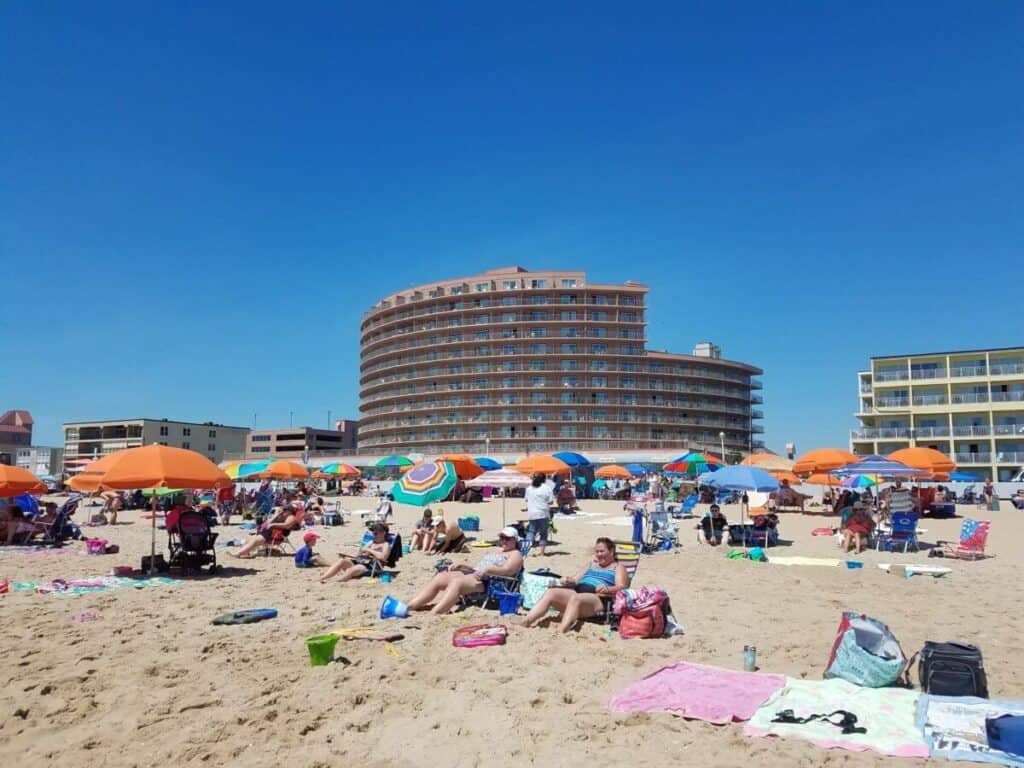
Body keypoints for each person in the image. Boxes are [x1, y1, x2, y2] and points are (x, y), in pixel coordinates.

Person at [405, 527, 524, 615]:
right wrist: (463, 566)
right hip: (475, 574)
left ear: (515, 540)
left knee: (457, 582)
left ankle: (435, 612)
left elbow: (508, 570)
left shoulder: (516, 554)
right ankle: (411, 606)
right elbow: (478, 568)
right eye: (502, 538)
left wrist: (489, 569)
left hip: (490, 582)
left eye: (507, 539)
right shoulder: (499, 551)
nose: (503, 541)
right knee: (441, 577)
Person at [518, 537, 627, 633]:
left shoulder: (618, 567)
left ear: (612, 551)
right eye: (596, 551)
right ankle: (526, 621)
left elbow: (622, 587)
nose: (598, 554)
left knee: (576, 598)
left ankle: (561, 631)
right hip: (578, 592)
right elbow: (575, 579)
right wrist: (567, 580)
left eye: (602, 551)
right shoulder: (591, 564)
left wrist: (607, 588)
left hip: (598, 598)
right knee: (552, 592)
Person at [321, 523, 392, 582]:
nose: (374, 535)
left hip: (371, 566)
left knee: (353, 569)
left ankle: (332, 581)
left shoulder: (385, 545)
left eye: (376, 533)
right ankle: (323, 577)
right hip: (360, 561)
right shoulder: (371, 542)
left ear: (383, 533)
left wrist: (369, 551)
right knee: (342, 561)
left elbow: (383, 557)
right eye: (373, 533)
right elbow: (359, 553)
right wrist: (362, 553)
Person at [232, 505, 303, 558]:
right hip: (270, 533)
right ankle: (244, 552)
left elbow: (286, 525)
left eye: (285, 510)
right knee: (250, 539)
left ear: (289, 511)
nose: (283, 511)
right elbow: (269, 522)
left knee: (255, 540)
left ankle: (238, 553)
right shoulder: (282, 516)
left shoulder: (291, 517)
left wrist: (273, 525)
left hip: (276, 536)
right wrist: (276, 514)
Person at [525, 472, 555, 556]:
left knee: (531, 532)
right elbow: (551, 501)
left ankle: (525, 550)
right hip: (543, 513)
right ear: (544, 479)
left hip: (532, 513)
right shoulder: (547, 488)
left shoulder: (529, 488)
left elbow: (526, 500)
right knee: (543, 533)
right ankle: (542, 553)